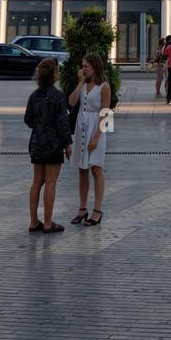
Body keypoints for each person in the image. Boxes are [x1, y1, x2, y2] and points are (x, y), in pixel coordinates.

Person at [24, 57, 72, 234]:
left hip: (36, 143)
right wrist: (67, 144)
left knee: (37, 182)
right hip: (53, 144)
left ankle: (33, 221)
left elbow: (27, 119)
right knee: (51, 182)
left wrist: (40, 126)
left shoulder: (34, 96)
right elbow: (62, 123)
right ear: (54, 74)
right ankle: (48, 222)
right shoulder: (58, 96)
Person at [68, 54, 111, 226]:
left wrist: (96, 136)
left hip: (96, 128)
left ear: (95, 67)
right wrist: (80, 82)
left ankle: (97, 210)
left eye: (86, 66)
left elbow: (106, 113)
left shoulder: (104, 86)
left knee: (96, 169)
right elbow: (71, 102)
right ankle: (82, 208)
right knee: (82, 169)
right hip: (81, 127)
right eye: (82, 66)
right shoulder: (83, 84)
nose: (83, 69)